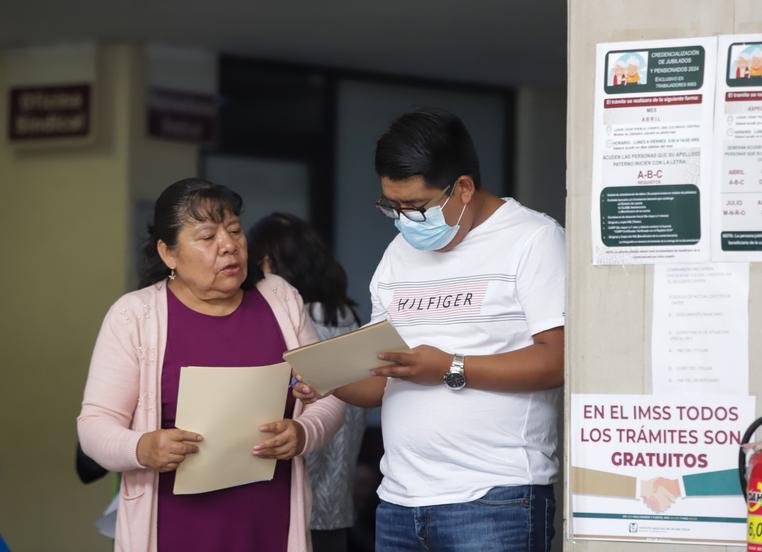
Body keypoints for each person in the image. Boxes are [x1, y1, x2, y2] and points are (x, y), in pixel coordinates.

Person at [295, 109, 566, 551]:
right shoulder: (398, 253)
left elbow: (558, 359)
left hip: (495, 498)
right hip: (400, 500)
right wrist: (329, 381)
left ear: (463, 187)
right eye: (392, 207)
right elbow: (380, 379)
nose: (404, 221)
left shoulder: (534, 240)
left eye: (417, 207)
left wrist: (449, 367)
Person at [77, 178, 344, 552]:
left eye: (235, 230)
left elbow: (328, 394)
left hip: (270, 522)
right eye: (207, 237)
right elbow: (93, 427)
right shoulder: (134, 316)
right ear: (168, 253)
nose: (229, 245)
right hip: (174, 527)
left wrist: (303, 432)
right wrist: (142, 448)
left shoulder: (279, 298)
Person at [248, 212, 366, 552]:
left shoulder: (287, 333)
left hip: (290, 510)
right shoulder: (352, 327)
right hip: (337, 513)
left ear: (267, 263)